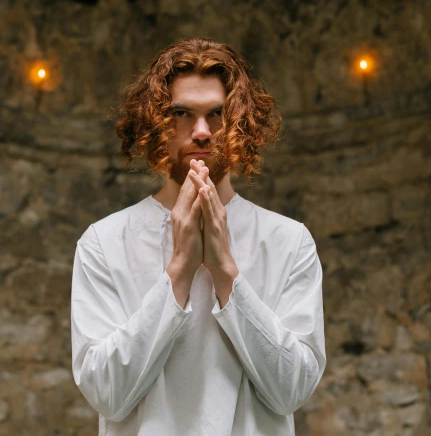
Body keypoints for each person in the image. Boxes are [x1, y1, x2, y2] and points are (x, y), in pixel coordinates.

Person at [70, 38, 326, 435]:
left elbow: (292, 390)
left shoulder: (290, 241)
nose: (202, 132)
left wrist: (226, 272)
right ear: (155, 125)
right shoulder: (103, 242)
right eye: (181, 114)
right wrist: (178, 273)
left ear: (242, 124)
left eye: (218, 115)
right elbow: (106, 393)